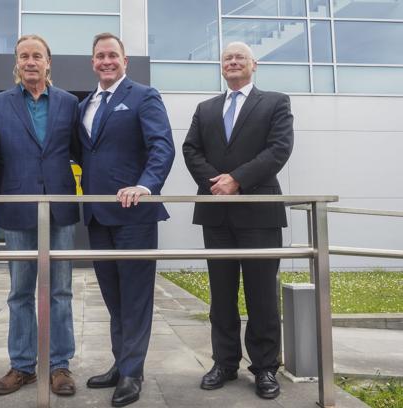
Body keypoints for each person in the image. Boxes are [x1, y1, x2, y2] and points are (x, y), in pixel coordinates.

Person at [0, 34, 79, 397]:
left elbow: (89, 149)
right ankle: (23, 366)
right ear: (17, 63)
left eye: (37, 56)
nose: (30, 62)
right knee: (20, 292)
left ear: (48, 63)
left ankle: (60, 366)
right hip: (17, 208)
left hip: (59, 208)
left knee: (60, 290)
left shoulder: (70, 103)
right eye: (24, 56)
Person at [182, 41, 293, 400]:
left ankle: (264, 368)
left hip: (259, 212)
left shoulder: (275, 102)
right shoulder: (206, 108)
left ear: (253, 64)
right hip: (217, 213)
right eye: (227, 58)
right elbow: (190, 149)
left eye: (239, 57)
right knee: (222, 295)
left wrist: (238, 180)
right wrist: (218, 182)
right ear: (221, 66)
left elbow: (278, 148)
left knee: (262, 296)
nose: (232, 61)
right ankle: (224, 363)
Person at [79, 33, 174, 407]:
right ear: (92, 62)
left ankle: (133, 373)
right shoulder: (84, 104)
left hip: (134, 213)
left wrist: (146, 185)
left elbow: (161, 145)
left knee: (135, 298)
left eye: (112, 56)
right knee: (114, 298)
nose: (106, 61)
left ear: (124, 61)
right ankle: (121, 363)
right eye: (100, 56)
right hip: (98, 216)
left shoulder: (143, 96)